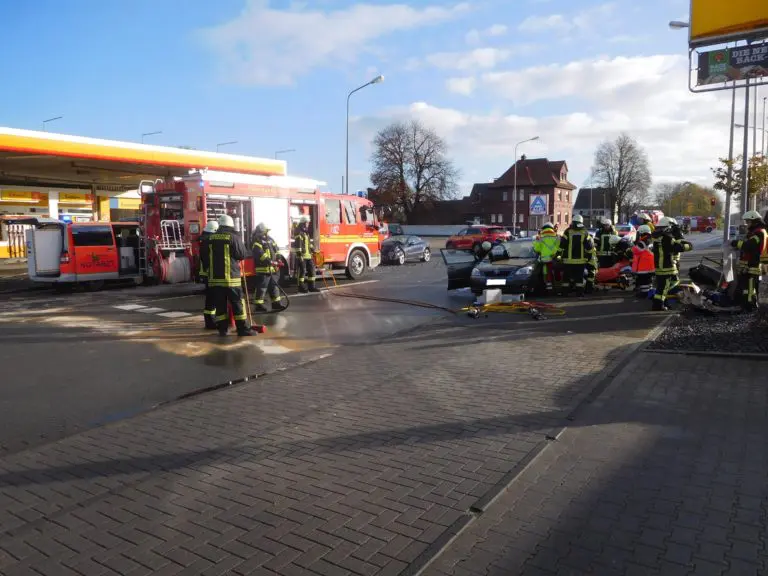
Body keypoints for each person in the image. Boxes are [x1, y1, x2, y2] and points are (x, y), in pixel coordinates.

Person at [199, 214, 253, 337]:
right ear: (230, 225)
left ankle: (222, 330)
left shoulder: (210, 239)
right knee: (237, 304)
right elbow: (241, 255)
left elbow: (204, 258)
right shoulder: (233, 237)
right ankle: (242, 329)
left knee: (220, 306)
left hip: (215, 280)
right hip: (231, 279)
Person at [651, 216, 693, 311]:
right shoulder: (667, 238)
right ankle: (658, 305)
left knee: (664, 286)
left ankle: (663, 303)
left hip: (660, 266)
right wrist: (680, 237)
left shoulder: (658, 236)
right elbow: (679, 247)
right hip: (666, 266)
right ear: (669, 226)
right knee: (663, 287)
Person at [731, 210, 767, 312]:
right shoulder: (756, 232)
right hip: (750, 266)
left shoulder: (759, 232)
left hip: (753, 266)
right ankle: (746, 305)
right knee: (747, 288)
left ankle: (749, 307)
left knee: (750, 289)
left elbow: (749, 246)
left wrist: (736, 243)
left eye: (748, 222)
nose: (747, 224)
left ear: (754, 221)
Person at [251, 222, 287, 312]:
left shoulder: (270, 239)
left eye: (266, 231)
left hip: (272, 269)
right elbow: (259, 253)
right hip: (263, 269)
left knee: (274, 286)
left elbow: (277, 250)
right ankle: (258, 306)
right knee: (262, 288)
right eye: (265, 231)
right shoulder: (256, 241)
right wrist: (270, 262)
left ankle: (276, 304)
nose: (266, 233)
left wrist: (278, 259)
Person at [560, 214, 594, 296]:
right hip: (580, 261)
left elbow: (562, 245)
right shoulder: (585, 232)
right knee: (579, 278)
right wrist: (589, 256)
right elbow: (589, 246)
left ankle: (565, 293)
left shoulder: (568, 231)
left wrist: (559, 255)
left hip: (568, 261)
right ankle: (579, 293)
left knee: (566, 278)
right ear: (581, 222)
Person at [199, 220, 219, 329]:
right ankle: (210, 322)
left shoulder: (205, 241)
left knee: (211, 298)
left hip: (207, 274)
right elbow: (209, 260)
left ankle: (210, 321)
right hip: (210, 274)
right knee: (212, 299)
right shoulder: (208, 242)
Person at [294, 215, 319, 293]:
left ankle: (312, 287)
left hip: (308, 256)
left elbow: (308, 244)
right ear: (304, 223)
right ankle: (301, 287)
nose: (308, 224)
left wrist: (313, 250)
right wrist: (300, 255)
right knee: (302, 272)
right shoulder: (299, 232)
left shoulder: (305, 232)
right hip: (302, 256)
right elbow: (298, 245)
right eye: (307, 222)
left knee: (312, 271)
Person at [532, 222, 560, 293]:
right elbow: (561, 248)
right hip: (555, 259)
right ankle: (558, 288)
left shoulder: (541, 237)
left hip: (545, 261)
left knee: (546, 274)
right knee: (558, 272)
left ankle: (548, 289)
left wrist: (536, 241)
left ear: (543, 228)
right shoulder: (557, 236)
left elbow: (536, 249)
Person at [631, 225, 655, 296]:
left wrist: (633, 245)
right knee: (648, 280)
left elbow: (636, 250)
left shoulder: (643, 241)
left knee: (643, 280)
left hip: (644, 265)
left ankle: (644, 293)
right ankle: (649, 292)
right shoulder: (650, 239)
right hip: (650, 264)